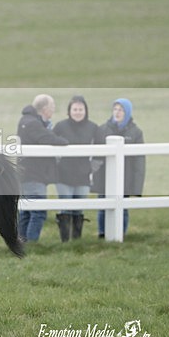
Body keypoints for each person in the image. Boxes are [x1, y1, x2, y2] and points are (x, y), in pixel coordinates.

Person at [16, 94, 69, 241]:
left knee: (26, 212)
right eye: (52, 107)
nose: (53, 110)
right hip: (33, 174)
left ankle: (20, 243)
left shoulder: (26, 120)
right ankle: (31, 244)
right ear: (45, 108)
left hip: (27, 174)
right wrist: (64, 141)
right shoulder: (33, 123)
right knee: (38, 212)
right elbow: (48, 139)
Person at [91, 98, 146, 238]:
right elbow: (95, 156)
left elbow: (139, 160)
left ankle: (121, 233)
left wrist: (136, 186)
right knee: (103, 206)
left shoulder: (136, 132)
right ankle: (102, 233)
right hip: (104, 176)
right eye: (115, 109)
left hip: (125, 178)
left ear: (127, 112)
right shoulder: (102, 129)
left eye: (121, 110)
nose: (117, 112)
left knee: (123, 208)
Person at [53, 95, 98, 242]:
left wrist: (92, 168)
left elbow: (101, 150)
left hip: (83, 175)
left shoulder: (93, 127)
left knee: (79, 208)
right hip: (63, 175)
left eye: (80, 109)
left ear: (86, 110)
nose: (78, 112)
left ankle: (77, 241)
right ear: (69, 111)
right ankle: (65, 241)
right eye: (75, 109)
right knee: (65, 207)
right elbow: (50, 147)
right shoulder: (60, 126)